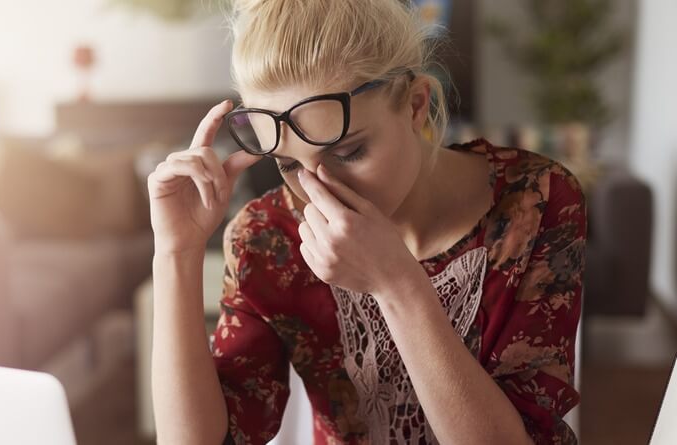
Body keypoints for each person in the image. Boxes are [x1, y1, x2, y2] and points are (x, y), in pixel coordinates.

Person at [148, 0, 586, 443]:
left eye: (347, 153)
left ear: (416, 105)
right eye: (288, 165)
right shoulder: (269, 239)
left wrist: (397, 284)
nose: (320, 192)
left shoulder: (535, 202)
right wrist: (175, 252)